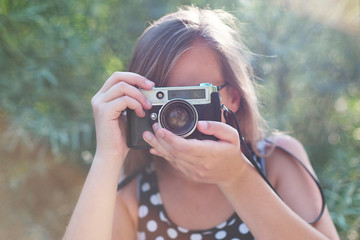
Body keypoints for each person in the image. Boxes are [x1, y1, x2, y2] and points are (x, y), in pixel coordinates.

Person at [63, 6, 339, 240]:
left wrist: (237, 177)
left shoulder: (277, 160)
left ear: (233, 98)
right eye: (162, 97)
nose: (177, 114)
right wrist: (108, 157)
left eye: (192, 95)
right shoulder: (134, 189)